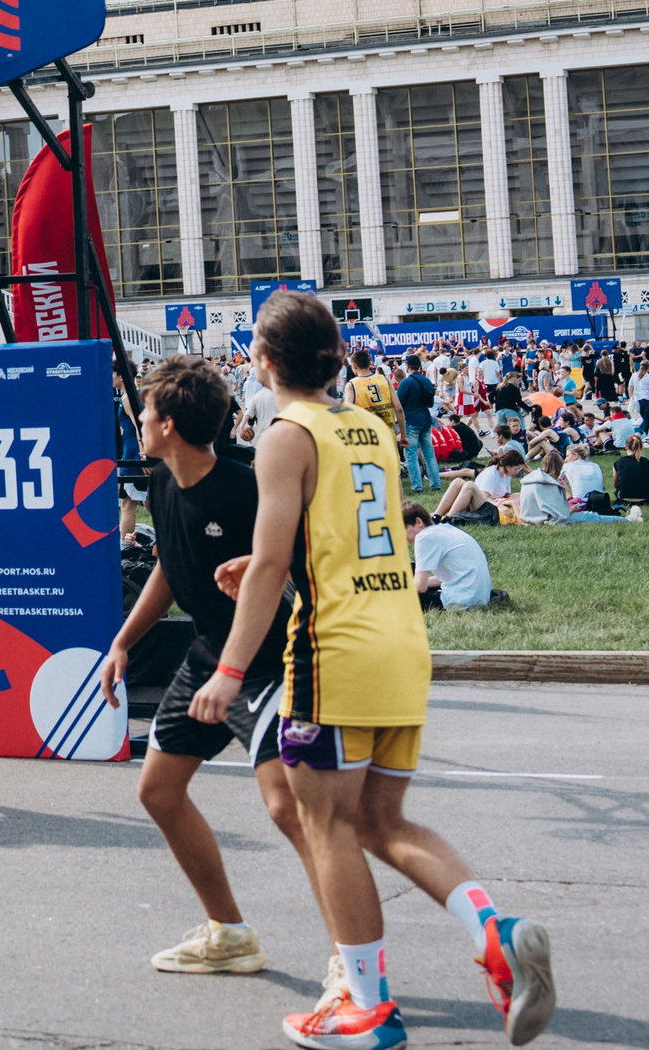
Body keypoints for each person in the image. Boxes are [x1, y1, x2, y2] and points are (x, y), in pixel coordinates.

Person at [202, 290, 552, 1050]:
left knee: (326, 822)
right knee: (380, 820)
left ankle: (367, 1004)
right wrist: (277, 561)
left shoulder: (285, 434)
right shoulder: (368, 424)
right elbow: (345, 539)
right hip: (399, 635)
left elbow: (269, 569)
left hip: (337, 649)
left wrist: (229, 669)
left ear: (262, 362)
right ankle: (495, 929)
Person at [99, 354, 307, 979]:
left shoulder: (244, 488)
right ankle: (230, 934)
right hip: (208, 655)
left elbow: (289, 566)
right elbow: (170, 563)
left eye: (146, 411)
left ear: (167, 426)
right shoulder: (162, 480)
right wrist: (124, 641)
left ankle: (348, 954)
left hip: (269, 660)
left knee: (289, 809)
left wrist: (238, 666)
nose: (139, 418)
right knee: (159, 790)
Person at [402, 503, 495, 611]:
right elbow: (448, 578)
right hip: (481, 597)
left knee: (404, 599)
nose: (403, 536)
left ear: (419, 522)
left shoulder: (424, 537)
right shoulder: (444, 529)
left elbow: (419, 587)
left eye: (404, 528)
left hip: (462, 600)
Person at [432, 445, 524, 522]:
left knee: (463, 483)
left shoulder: (506, 475)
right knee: (463, 483)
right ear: (508, 465)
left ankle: (444, 518)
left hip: (489, 504)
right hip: (484, 506)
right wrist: (499, 505)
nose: (516, 472)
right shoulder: (492, 475)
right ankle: (443, 517)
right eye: (516, 469)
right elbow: (485, 498)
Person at [394, 354, 439, 495]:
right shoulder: (426, 380)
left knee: (411, 454)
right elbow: (430, 402)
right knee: (429, 453)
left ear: (407, 365)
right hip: (425, 418)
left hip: (411, 420)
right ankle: (435, 483)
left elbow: (398, 402)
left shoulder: (406, 382)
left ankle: (417, 485)